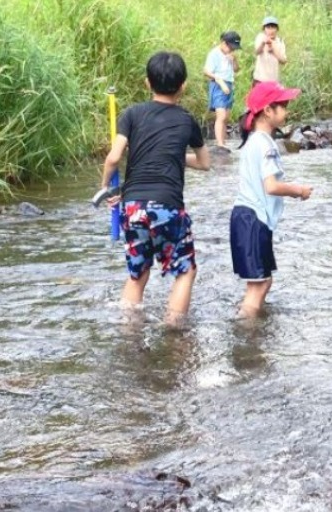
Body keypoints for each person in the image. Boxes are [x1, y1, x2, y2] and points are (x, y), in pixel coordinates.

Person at [101, 51, 211, 324]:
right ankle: (174, 330)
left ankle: (129, 334)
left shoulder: (132, 114)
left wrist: (106, 188)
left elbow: (114, 158)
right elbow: (204, 162)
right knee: (185, 271)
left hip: (133, 205)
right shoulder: (187, 120)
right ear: (183, 85)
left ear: (147, 83)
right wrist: (173, 156)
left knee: (137, 273)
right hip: (168, 205)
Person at [229, 81, 312, 316]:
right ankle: (247, 338)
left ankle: (251, 330)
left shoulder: (254, 141)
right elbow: (271, 186)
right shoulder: (266, 145)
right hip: (253, 219)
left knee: (261, 283)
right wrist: (299, 191)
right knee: (259, 286)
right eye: (283, 106)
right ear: (268, 110)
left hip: (246, 217)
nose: (287, 111)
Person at [204, 31, 242, 148]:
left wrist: (234, 60)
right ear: (224, 43)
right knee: (221, 116)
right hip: (218, 85)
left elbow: (236, 69)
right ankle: (220, 144)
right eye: (230, 47)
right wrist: (219, 81)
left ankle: (223, 142)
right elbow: (206, 71)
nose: (232, 50)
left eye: (234, 49)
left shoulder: (231, 55)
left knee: (226, 117)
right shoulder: (214, 54)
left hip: (229, 84)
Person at [252, 15, 288, 85]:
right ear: (264, 29)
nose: (271, 30)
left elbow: (284, 61)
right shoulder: (260, 37)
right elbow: (257, 52)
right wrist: (263, 43)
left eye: (273, 27)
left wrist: (273, 51)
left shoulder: (280, 41)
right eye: (268, 27)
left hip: (274, 80)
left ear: (277, 29)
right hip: (259, 79)